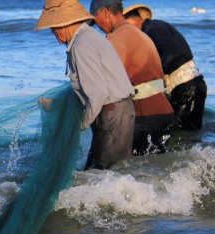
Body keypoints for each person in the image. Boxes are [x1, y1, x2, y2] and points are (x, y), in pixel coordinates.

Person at [36, 0, 135, 170]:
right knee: (104, 172)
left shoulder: (81, 45)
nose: (52, 31)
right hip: (117, 111)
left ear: (65, 24)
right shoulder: (88, 37)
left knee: (105, 174)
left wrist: (80, 124)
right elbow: (90, 86)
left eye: (54, 26)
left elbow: (98, 92)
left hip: (111, 114)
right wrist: (57, 104)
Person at [90, 0, 175, 155]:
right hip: (164, 111)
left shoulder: (116, 38)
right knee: (154, 171)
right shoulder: (139, 34)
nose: (97, 27)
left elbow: (106, 80)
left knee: (120, 170)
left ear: (104, 13)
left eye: (95, 21)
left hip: (145, 114)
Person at [124, 4, 208, 130]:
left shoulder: (152, 29)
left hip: (186, 88)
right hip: (191, 85)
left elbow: (173, 54)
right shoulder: (156, 27)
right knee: (189, 134)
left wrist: (154, 75)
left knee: (179, 135)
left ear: (133, 21)